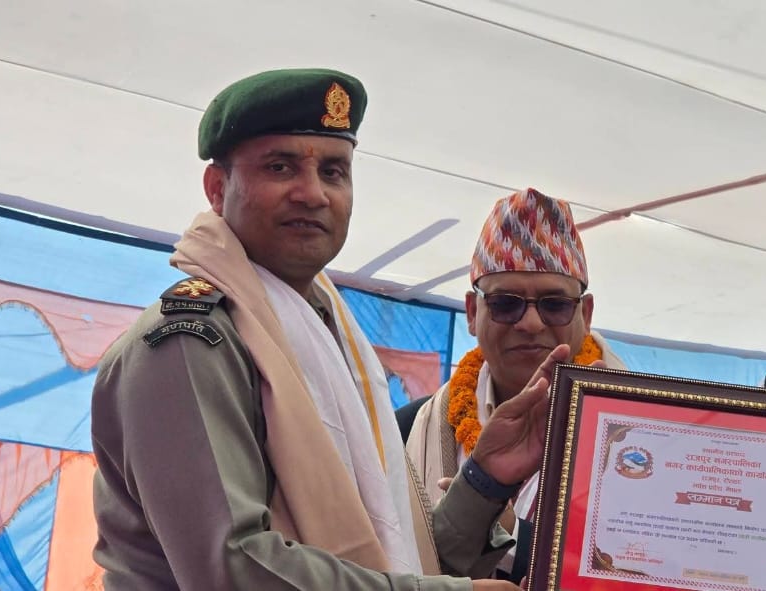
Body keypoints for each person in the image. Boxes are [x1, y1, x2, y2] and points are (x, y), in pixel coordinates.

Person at [91, 68, 555, 590]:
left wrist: (486, 479)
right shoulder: (191, 343)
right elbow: (231, 568)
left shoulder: (328, 333)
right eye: (281, 167)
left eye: (333, 172)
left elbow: (397, 554)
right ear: (218, 189)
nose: (312, 194)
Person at [399, 188, 627, 583]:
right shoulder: (404, 430)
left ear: (586, 314)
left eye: (555, 304)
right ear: (473, 312)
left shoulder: (644, 431)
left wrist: (508, 533)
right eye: (506, 303)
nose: (531, 324)